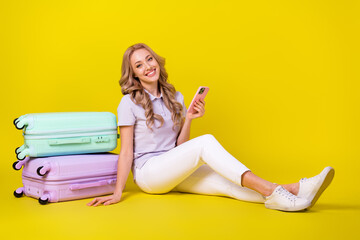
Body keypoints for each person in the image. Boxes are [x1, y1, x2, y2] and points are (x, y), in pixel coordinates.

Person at [87, 43, 335, 211]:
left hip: (172, 168)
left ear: (157, 61)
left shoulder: (176, 97)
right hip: (149, 174)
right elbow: (127, 152)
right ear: (134, 74)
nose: (147, 66)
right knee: (205, 142)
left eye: (149, 59)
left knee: (224, 184)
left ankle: (295, 192)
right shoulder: (128, 103)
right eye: (139, 65)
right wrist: (118, 192)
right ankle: (276, 190)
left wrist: (190, 119)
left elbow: (181, 149)